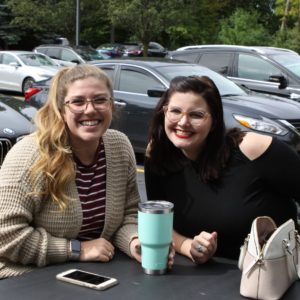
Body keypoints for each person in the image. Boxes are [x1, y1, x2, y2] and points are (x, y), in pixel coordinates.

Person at [0, 64, 142, 278]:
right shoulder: (32, 154)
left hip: (88, 273)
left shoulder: (119, 146)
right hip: (25, 276)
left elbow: (129, 215)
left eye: (100, 100)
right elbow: (6, 234)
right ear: (61, 109)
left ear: (111, 105)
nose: (90, 109)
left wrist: (135, 242)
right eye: (77, 101)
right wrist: (75, 250)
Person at [144, 75, 300, 263]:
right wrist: (188, 246)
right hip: (200, 281)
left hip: (273, 276)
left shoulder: (252, 148)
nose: (183, 122)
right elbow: (159, 223)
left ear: (214, 122)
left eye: (196, 115)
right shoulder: (158, 154)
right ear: (164, 113)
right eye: (175, 111)